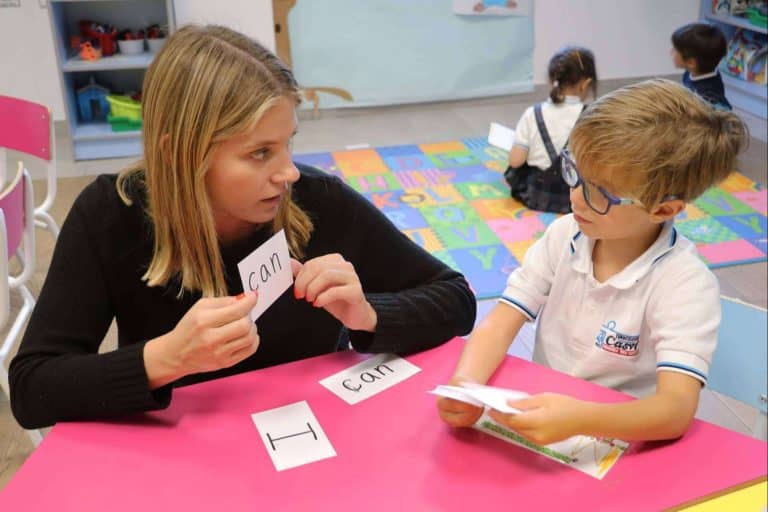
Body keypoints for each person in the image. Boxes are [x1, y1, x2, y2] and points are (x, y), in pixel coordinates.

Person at [10, 25, 476, 429]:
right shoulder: (111, 214)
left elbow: (456, 299)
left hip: (317, 441)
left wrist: (367, 315)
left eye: (287, 143)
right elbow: (32, 389)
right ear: (178, 153)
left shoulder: (316, 201)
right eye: (259, 153)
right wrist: (167, 358)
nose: (288, 171)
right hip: (183, 455)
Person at [437, 79, 747, 445]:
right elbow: (503, 320)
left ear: (663, 209)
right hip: (548, 417)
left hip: (621, 436)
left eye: (599, 193)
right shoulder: (565, 235)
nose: (575, 200)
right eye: (574, 174)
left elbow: (675, 410)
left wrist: (581, 419)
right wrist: (466, 383)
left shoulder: (683, 282)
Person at [503, 46, 597, 213]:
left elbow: (515, 161)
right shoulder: (591, 116)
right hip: (573, 196)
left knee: (518, 160)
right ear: (586, 84)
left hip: (535, 195)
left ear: (551, 81)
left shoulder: (533, 113)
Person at [671, 22, 732, 111]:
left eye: (675, 50)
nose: (671, 52)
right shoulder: (695, 71)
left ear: (690, 62)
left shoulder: (708, 96)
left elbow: (723, 112)